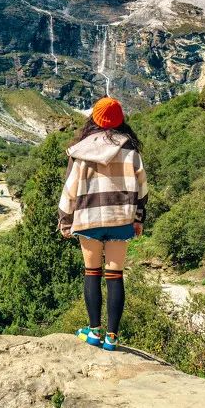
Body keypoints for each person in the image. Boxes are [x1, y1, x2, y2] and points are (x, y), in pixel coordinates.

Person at [57, 96, 148, 352]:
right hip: (121, 220)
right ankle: (112, 338)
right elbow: (142, 190)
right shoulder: (131, 150)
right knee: (115, 276)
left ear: (94, 119)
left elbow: (70, 190)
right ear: (121, 120)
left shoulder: (80, 151)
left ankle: (94, 332)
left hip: (89, 219)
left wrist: (65, 220)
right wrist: (138, 219)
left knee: (92, 273)